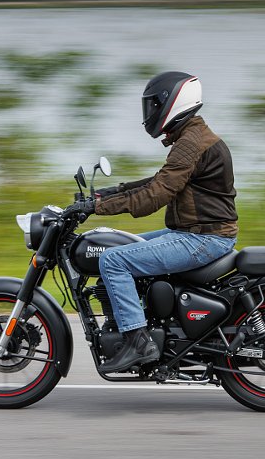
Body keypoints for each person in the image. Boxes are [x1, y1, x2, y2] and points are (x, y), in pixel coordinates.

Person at [78, 71, 238, 373]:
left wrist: (99, 208)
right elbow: (161, 180)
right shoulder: (192, 137)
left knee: (113, 261)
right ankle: (136, 326)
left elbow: (156, 195)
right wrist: (111, 193)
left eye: (153, 105)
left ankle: (138, 342)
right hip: (197, 233)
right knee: (120, 244)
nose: (149, 112)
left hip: (203, 239)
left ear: (173, 103)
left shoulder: (191, 143)